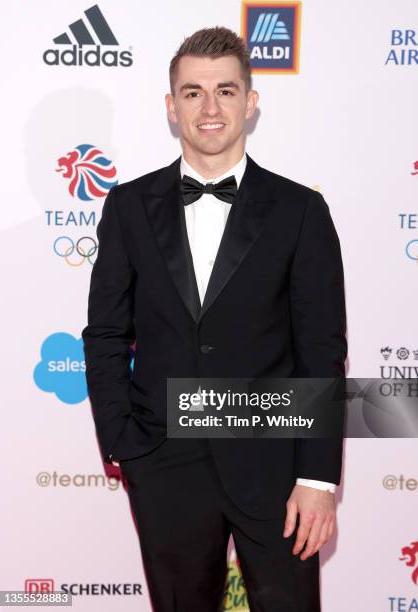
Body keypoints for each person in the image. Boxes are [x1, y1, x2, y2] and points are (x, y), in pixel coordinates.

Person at [82, 26, 347, 612]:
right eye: (193, 92)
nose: (210, 108)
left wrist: (318, 479)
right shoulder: (128, 207)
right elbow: (104, 334)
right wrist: (126, 442)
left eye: (226, 91)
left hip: (275, 466)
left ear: (250, 103)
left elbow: (321, 349)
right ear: (171, 107)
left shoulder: (301, 210)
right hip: (164, 463)